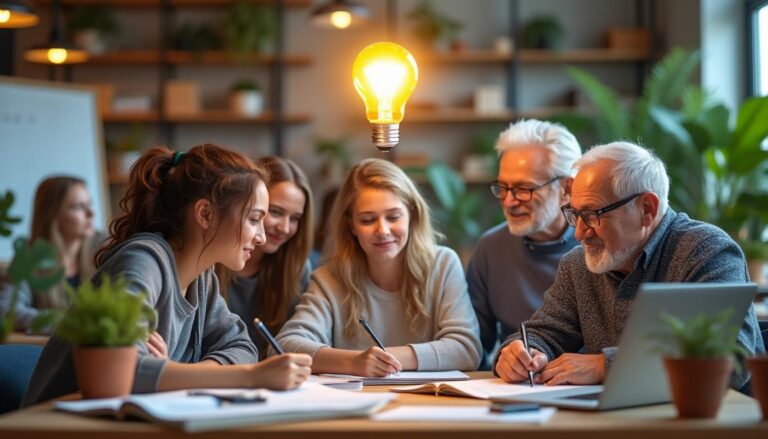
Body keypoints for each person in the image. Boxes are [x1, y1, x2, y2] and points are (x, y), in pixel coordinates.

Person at [23, 144, 312, 406]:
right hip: (58, 427)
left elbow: (241, 346)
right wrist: (249, 377)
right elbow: (124, 373)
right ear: (205, 214)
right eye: (253, 219)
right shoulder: (142, 261)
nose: (261, 237)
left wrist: (174, 373)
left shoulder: (203, 277)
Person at [493, 141, 765, 391]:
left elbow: (732, 359)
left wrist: (606, 365)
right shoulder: (579, 265)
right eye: (576, 215)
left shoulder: (706, 251)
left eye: (592, 215)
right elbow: (545, 333)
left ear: (646, 208)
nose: (578, 234)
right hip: (620, 421)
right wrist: (521, 353)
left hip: (709, 422)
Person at [276, 158, 482, 376]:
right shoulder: (330, 279)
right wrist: (354, 362)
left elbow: (466, 349)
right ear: (351, 225)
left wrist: (383, 359)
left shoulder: (443, 265)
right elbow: (285, 346)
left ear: (412, 215)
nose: (382, 230)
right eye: (367, 220)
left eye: (393, 217)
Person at [466, 119, 581, 368]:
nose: (508, 201)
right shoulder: (490, 248)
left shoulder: (601, 249)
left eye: (523, 188)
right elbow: (475, 346)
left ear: (567, 188)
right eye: (503, 187)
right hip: (516, 386)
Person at [219, 156, 313, 359]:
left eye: (295, 218)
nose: (285, 228)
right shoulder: (210, 263)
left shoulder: (297, 269)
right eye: (276, 212)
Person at [0, 176, 106, 332]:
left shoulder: (104, 247)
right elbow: (7, 310)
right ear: (52, 214)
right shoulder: (28, 256)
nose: (91, 213)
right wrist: (71, 322)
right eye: (78, 207)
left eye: (89, 204)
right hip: (52, 350)